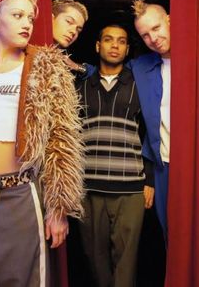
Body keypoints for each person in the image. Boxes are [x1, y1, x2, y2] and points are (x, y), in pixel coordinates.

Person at [0, 0, 84, 287]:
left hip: (16, 195)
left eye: (30, 18)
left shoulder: (45, 69)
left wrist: (58, 208)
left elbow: (61, 141)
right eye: (17, 15)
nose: (27, 23)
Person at [75, 24, 154, 287]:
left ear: (128, 49)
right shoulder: (80, 85)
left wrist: (149, 180)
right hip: (88, 185)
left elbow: (151, 133)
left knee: (127, 259)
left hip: (130, 187)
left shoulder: (139, 85)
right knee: (93, 258)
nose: (115, 45)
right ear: (98, 46)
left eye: (121, 41)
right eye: (108, 39)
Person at [128, 0, 170, 240]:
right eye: (145, 35)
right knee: (170, 232)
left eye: (156, 28)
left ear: (170, 21)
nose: (153, 39)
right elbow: (105, 72)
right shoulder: (141, 67)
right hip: (164, 165)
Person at [52, 0, 96, 77]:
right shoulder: (30, 54)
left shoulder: (63, 66)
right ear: (51, 18)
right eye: (69, 22)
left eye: (78, 30)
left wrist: (77, 67)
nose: (73, 31)